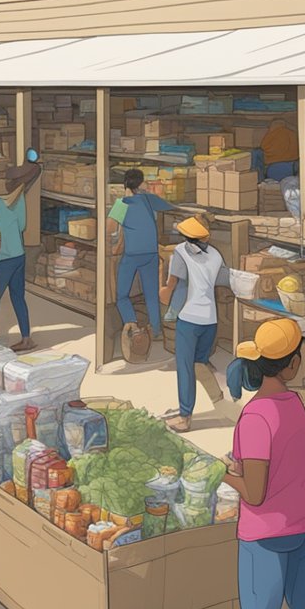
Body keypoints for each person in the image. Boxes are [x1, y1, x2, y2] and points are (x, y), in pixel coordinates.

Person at [223, 319, 305, 609]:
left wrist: (224, 474)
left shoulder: (255, 417)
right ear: (292, 364)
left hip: (267, 532)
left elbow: (255, 495)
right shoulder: (294, 402)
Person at [158, 217, 229, 432]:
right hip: (210, 320)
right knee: (199, 363)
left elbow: (171, 285)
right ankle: (218, 400)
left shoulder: (180, 252)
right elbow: (223, 279)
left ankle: (185, 416)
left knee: (185, 368)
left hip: (189, 319)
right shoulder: (215, 254)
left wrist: (163, 293)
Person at [108, 167, 176, 350]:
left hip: (132, 255)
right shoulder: (147, 199)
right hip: (151, 254)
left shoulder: (122, 203)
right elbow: (169, 206)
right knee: (151, 295)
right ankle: (155, 331)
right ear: (140, 183)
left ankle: (133, 327)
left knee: (121, 295)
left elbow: (109, 227)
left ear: (125, 185)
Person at [0, 161, 42, 351]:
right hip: (19, 255)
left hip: (3, 258)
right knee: (18, 297)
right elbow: (22, 226)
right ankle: (26, 337)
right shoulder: (20, 201)